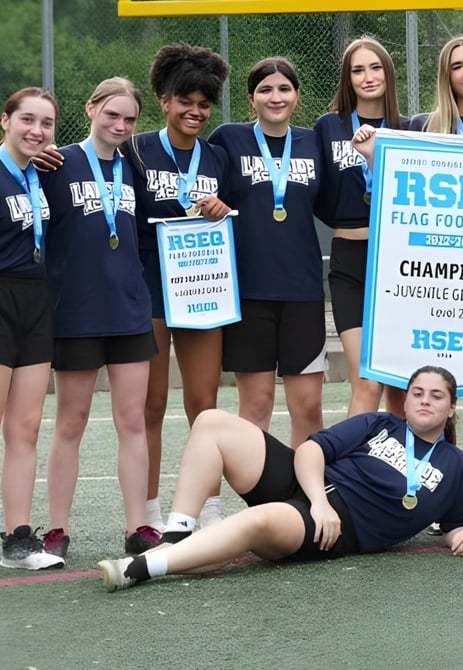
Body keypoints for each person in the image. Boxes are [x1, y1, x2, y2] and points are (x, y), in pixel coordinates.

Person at [97, 366, 463, 591]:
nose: (425, 400)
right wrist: (318, 499)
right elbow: (312, 450)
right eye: (417, 393)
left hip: (336, 528)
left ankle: (140, 569)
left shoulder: (458, 465)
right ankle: (175, 537)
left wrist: (461, 533)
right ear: (407, 399)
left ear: (451, 408)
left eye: (436, 396)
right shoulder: (379, 422)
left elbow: (461, 521)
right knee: (212, 421)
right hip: (312, 490)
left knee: (257, 520)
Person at [39, 77, 160, 557]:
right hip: (76, 311)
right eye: (112, 114)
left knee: (132, 419)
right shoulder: (58, 162)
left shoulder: (135, 169)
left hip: (129, 309)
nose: (120, 125)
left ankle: (137, 528)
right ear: (91, 108)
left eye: (129, 119)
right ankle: (57, 529)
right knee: (72, 421)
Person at [125, 42, 232, 531]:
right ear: (164, 101)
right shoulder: (136, 149)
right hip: (147, 284)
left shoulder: (218, 156)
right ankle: (146, 513)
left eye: (203, 103)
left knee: (203, 405)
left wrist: (221, 209)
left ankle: (205, 509)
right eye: (184, 101)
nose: (194, 111)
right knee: (150, 403)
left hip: (202, 286)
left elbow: (233, 215)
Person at [208, 57, 326, 448]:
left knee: (308, 408)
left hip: (303, 293)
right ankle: (259, 504)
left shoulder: (314, 141)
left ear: (297, 96)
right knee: (255, 408)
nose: (275, 97)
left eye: (284, 89)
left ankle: (304, 499)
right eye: (265, 90)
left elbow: (338, 202)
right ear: (251, 98)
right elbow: (202, 186)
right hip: (249, 292)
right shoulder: (229, 138)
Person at [314, 37, 406, 418]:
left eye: (375, 67)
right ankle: (355, 474)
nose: (368, 77)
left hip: (400, 262)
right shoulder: (329, 126)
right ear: (347, 79)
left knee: (403, 385)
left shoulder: (408, 127)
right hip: (350, 259)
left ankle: (407, 473)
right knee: (366, 381)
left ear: (387, 72)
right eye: (357, 70)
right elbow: (317, 193)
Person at [0, 88, 64, 570]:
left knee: (24, 427)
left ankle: (17, 537)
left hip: (37, 300)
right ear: (5, 121)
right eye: (27, 119)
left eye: (45, 123)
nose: (36, 131)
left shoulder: (43, 175)